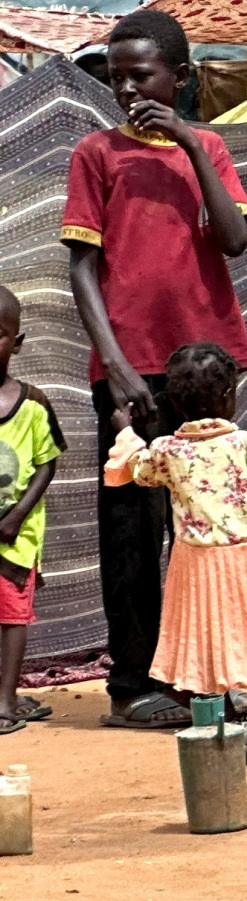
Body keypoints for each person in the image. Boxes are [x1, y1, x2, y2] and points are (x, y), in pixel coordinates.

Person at [63, 8, 247, 728]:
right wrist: (114, 364)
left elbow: (233, 240)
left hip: (207, 368)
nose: (127, 90)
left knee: (215, 524)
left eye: (141, 75)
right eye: (117, 78)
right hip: (129, 370)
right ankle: (134, 686)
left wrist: (190, 145)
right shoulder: (97, 154)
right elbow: (83, 267)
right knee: (132, 531)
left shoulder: (207, 147)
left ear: (181, 77)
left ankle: (213, 674)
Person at [100, 343, 247, 706]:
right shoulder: (245, 445)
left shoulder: (167, 450)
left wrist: (125, 431)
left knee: (204, 629)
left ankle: (204, 694)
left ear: (173, 403)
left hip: (195, 565)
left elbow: (133, 470)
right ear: (228, 395)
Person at [0, 286, 64, 734]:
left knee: (11, 617)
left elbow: (47, 462)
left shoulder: (34, 404)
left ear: (17, 342)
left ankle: (4, 703)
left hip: (13, 538)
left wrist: (17, 515)